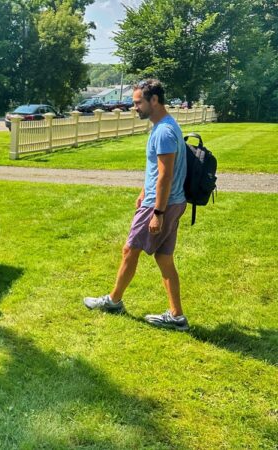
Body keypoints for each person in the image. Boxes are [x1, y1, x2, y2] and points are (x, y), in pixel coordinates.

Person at [84, 79, 189, 331]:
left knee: (130, 250)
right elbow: (157, 171)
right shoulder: (165, 125)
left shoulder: (163, 131)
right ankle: (176, 316)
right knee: (164, 259)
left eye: (138, 102)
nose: (135, 107)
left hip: (161, 204)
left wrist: (158, 213)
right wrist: (144, 189)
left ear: (154, 100)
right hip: (172, 201)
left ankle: (113, 301)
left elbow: (165, 175)